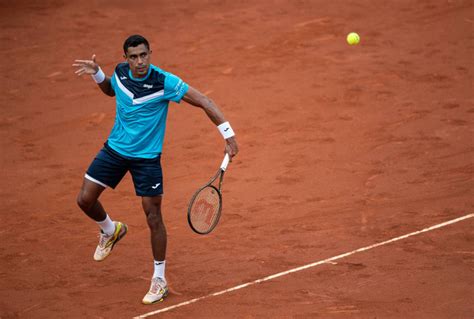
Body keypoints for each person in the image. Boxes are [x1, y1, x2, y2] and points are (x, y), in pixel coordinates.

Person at [73, 34, 239, 304]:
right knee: (85, 199)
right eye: (134, 57)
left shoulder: (165, 82)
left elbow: (204, 101)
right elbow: (111, 90)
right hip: (115, 150)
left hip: (147, 159)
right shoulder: (120, 73)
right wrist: (98, 75)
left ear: (151, 53)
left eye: (144, 55)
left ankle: (159, 279)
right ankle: (110, 230)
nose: (140, 62)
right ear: (125, 58)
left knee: (153, 217)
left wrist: (228, 135)